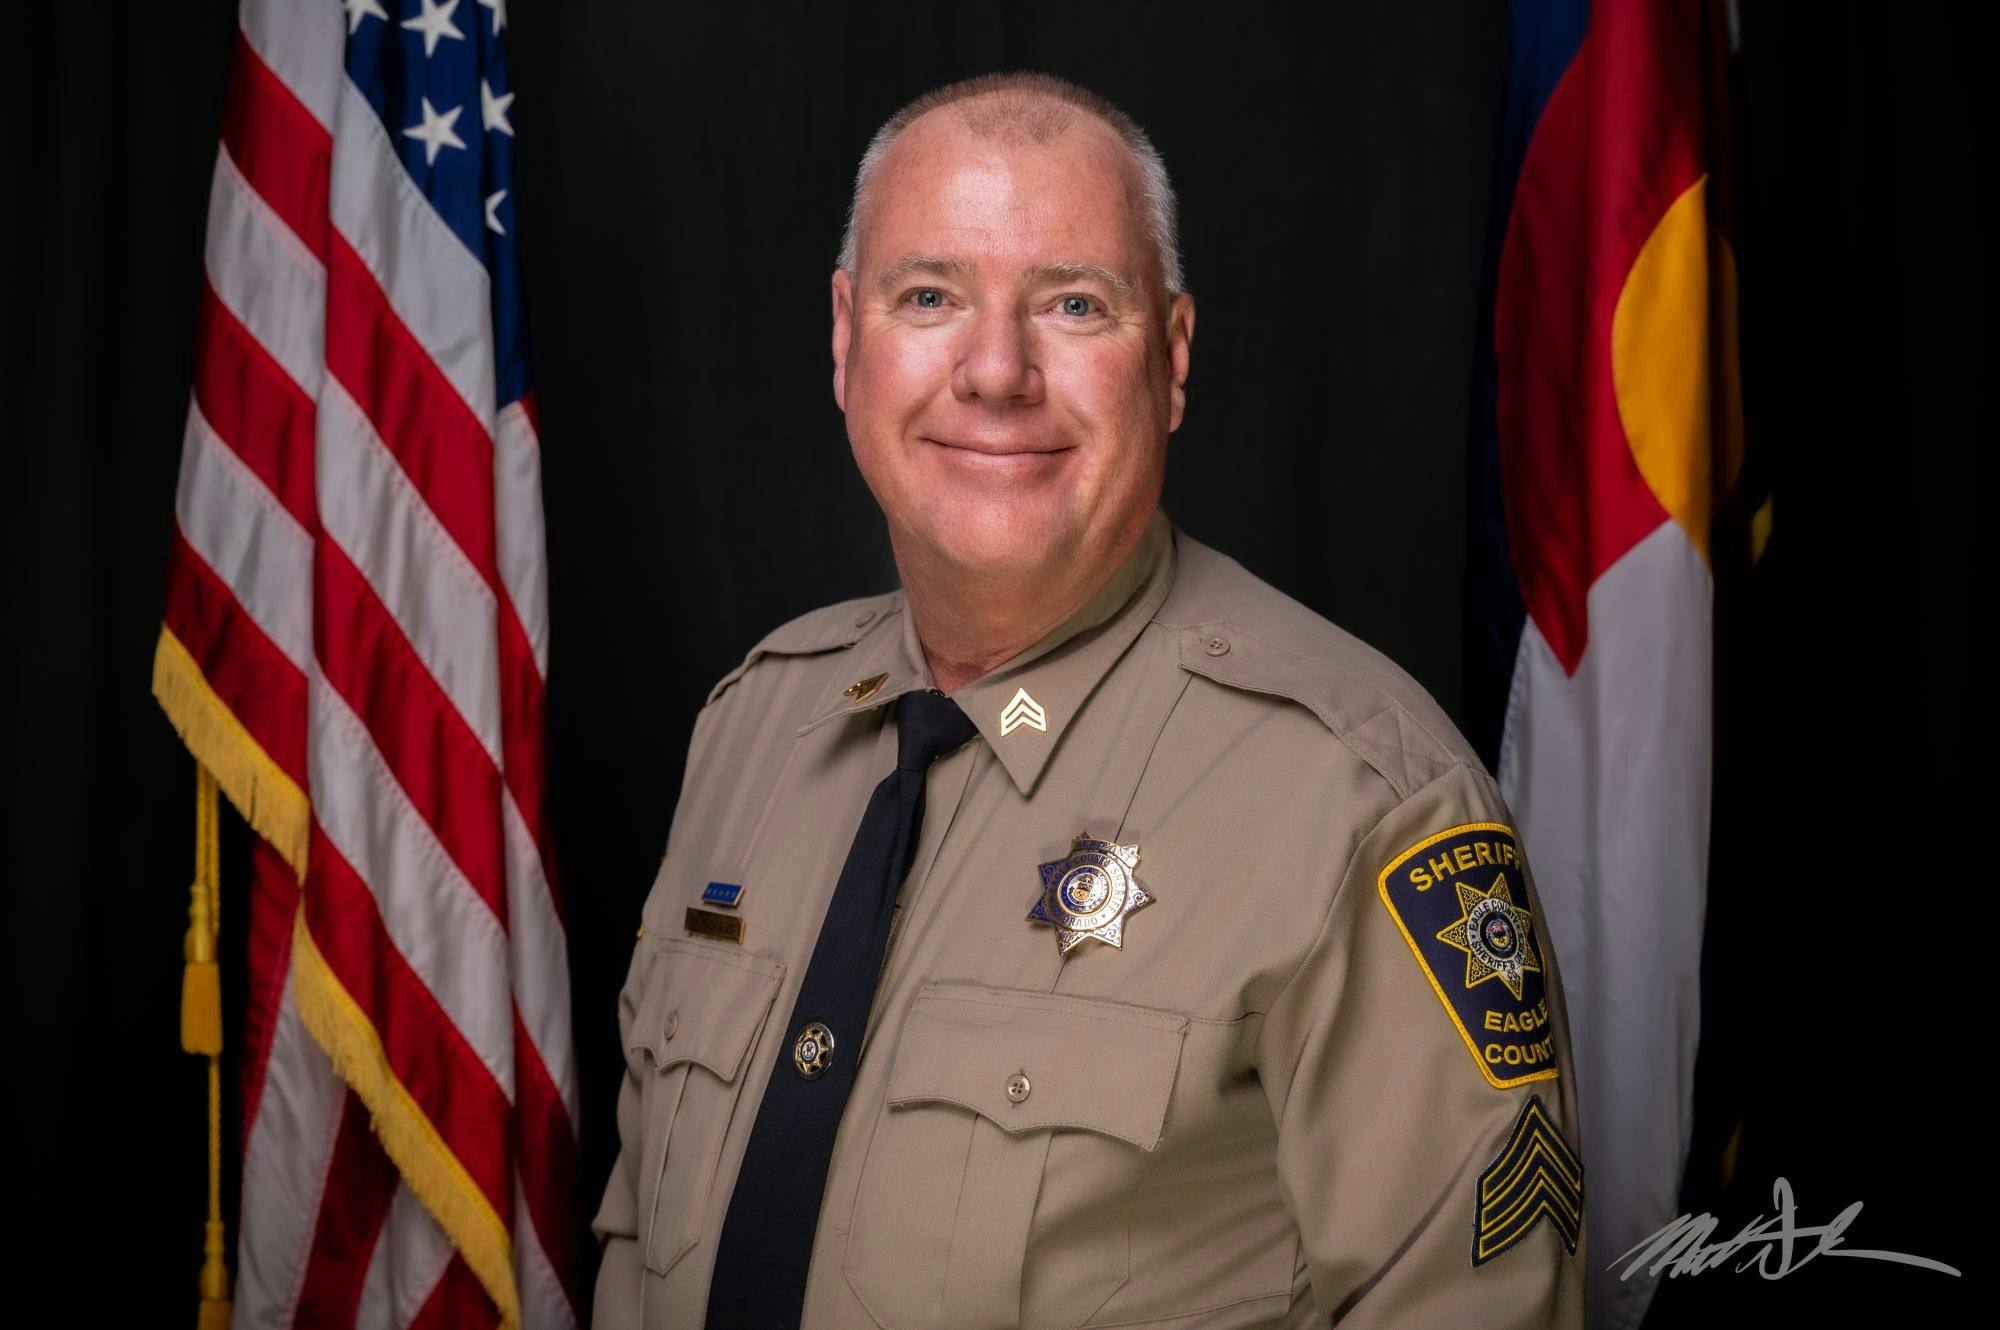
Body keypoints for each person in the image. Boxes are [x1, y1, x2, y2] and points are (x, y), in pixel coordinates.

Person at [591, 71, 1586, 1329]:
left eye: (1072, 303)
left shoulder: (1363, 803)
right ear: (845, 338)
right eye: (929, 296)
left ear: (1170, 358)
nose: (995, 371)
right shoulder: (754, 725)